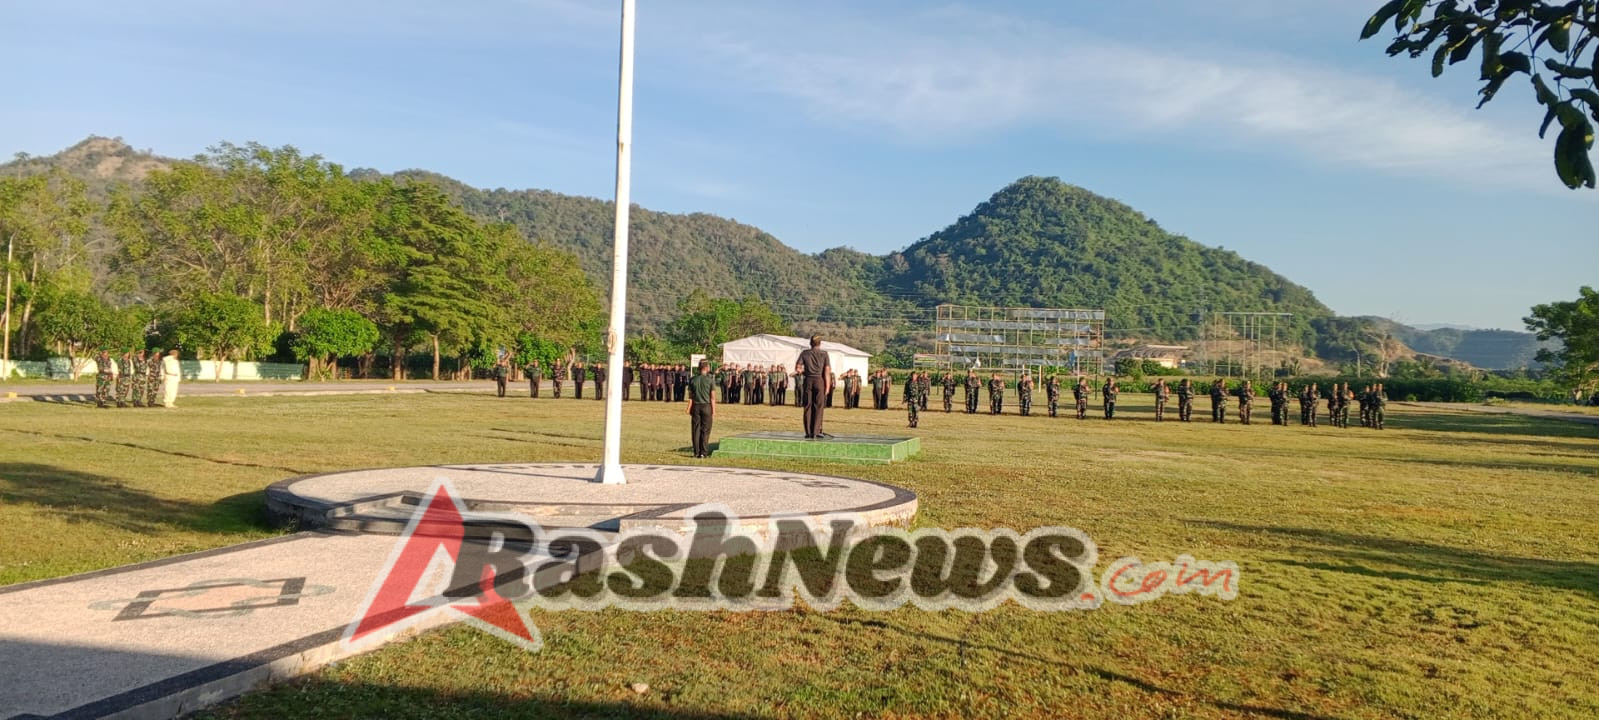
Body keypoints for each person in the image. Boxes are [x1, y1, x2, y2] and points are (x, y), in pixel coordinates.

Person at [795, 336, 832, 438]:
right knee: (819, 407)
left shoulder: (805, 353)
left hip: (808, 380)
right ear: (820, 343)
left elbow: (798, 368)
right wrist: (827, 386)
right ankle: (816, 432)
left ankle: (808, 432)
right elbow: (827, 371)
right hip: (819, 381)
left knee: (807, 406)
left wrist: (804, 371)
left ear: (810, 343)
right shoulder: (824, 354)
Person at [687, 360, 717, 458]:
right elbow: (712, 397)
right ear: (706, 368)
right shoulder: (710, 380)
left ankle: (696, 452)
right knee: (705, 430)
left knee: (696, 429)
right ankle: (703, 452)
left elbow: (690, 396)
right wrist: (714, 410)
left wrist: (689, 408)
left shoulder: (692, 380)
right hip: (706, 406)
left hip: (696, 406)